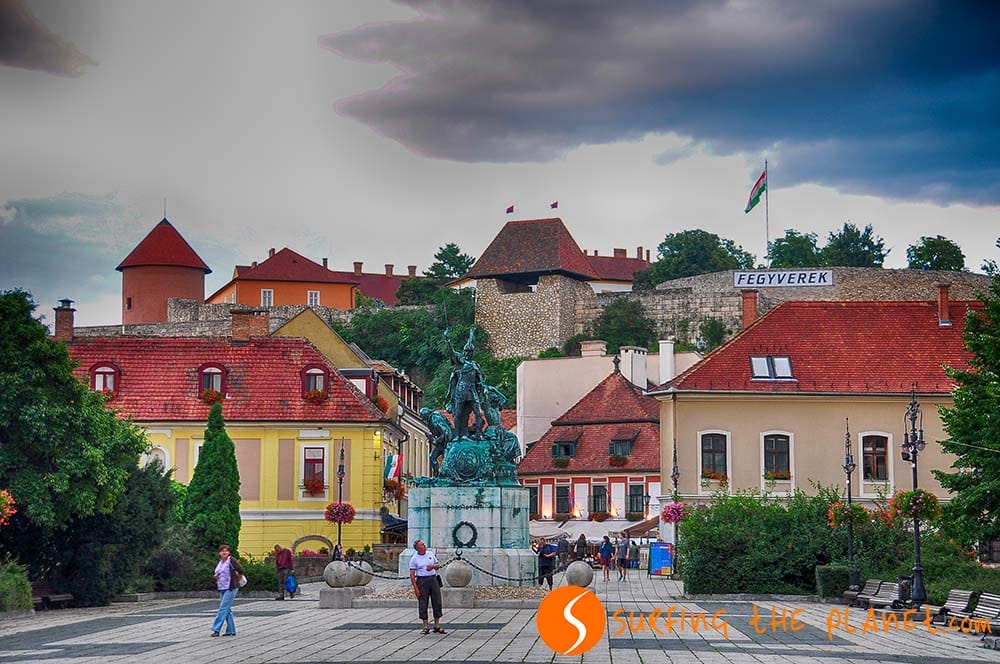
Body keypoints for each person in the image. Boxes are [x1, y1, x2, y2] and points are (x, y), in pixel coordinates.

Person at [409, 540, 446, 635]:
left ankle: (437, 625)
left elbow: (437, 565)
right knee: (423, 603)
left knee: (437, 601)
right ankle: (425, 626)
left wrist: (433, 566)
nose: (424, 545)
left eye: (424, 544)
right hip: (422, 580)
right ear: (418, 548)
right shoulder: (414, 559)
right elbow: (412, 575)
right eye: (422, 544)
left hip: (433, 579)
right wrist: (416, 588)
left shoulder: (430, 553)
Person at [211, 544, 244, 637]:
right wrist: (216, 576)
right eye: (222, 551)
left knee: (223, 608)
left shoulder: (231, 560)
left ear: (229, 552)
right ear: (219, 553)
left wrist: (237, 580)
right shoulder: (220, 562)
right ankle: (231, 630)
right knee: (227, 609)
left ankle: (216, 629)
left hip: (231, 587)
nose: (224, 552)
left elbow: (241, 570)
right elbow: (218, 573)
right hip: (222, 587)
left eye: (226, 551)